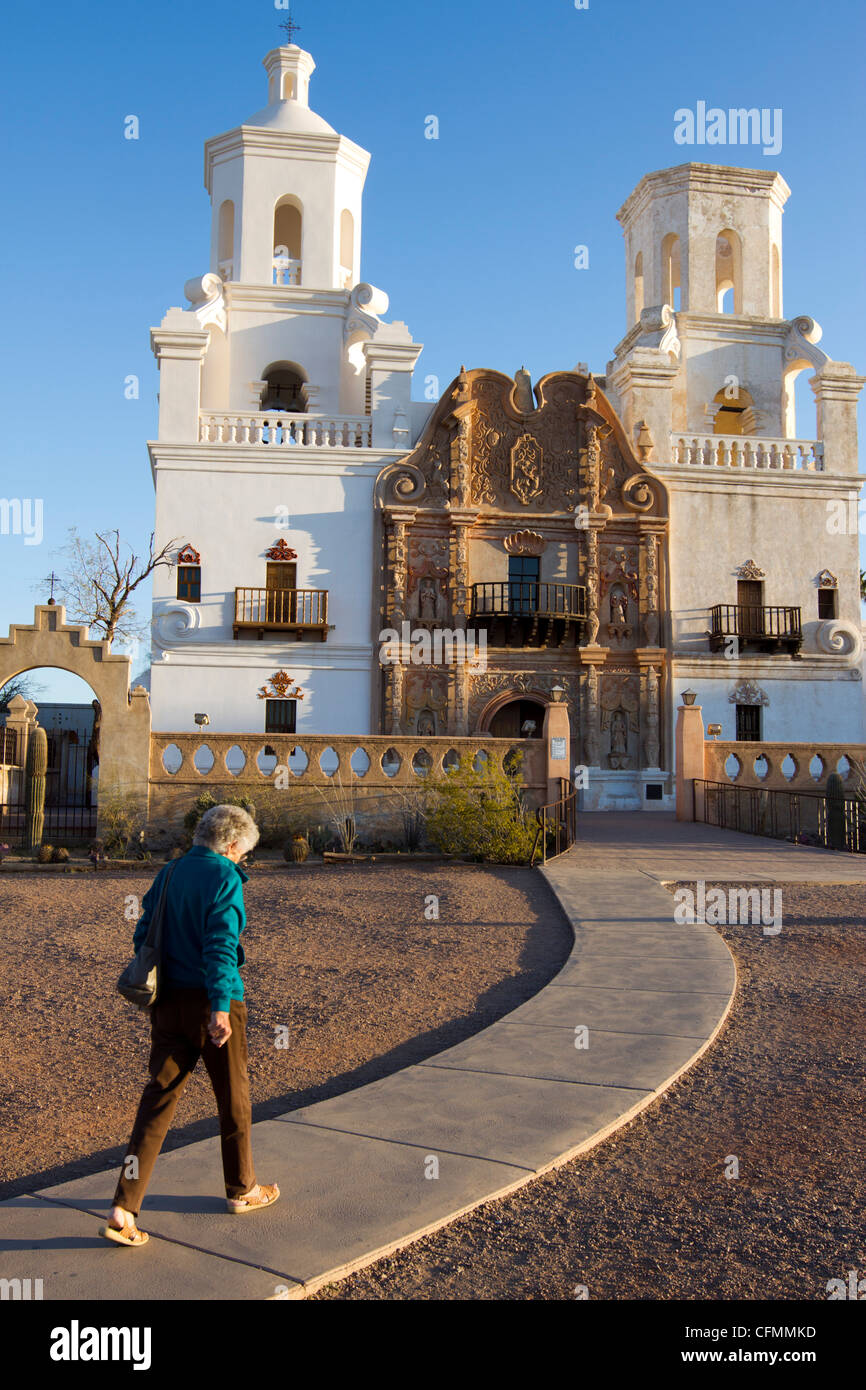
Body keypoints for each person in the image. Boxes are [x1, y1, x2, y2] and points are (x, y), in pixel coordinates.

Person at [101, 804, 279, 1247]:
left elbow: (144, 933)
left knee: (157, 1101)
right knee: (233, 1097)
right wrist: (220, 1006)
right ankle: (242, 1189)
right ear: (233, 845)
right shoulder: (224, 878)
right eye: (244, 854)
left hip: (167, 1004)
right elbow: (221, 944)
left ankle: (123, 1207)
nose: (243, 862)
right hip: (212, 1003)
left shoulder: (170, 872)